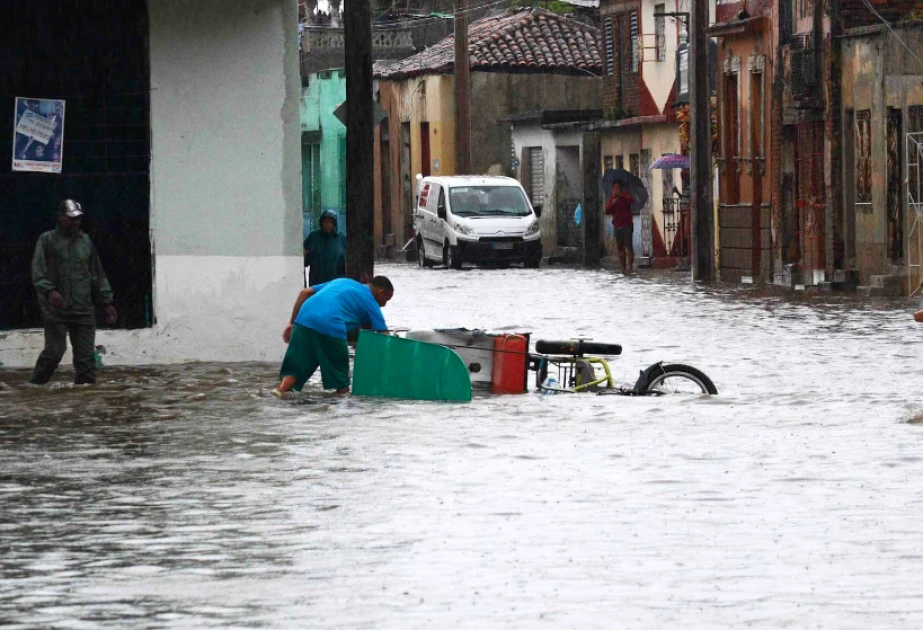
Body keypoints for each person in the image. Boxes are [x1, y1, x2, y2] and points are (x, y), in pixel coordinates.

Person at [30, 200, 118, 385]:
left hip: (83, 309)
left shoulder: (85, 241)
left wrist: (107, 302)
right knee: (54, 352)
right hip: (56, 311)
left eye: (78, 218)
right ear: (60, 217)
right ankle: (35, 387)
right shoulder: (47, 240)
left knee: (86, 361)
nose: (75, 222)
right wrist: (50, 291)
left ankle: (84, 400)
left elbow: (97, 273)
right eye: (71, 218)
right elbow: (38, 272)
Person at [273, 276, 394, 397]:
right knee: (341, 382)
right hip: (331, 325)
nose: (384, 305)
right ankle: (342, 411)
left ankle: (279, 393)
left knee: (294, 370)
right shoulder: (370, 301)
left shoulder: (342, 282)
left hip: (304, 319)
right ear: (381, 293)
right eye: (386, 300)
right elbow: (384, 335)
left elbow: (305, 292)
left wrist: (291, 323)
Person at [303, 209, 346, 286]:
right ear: (321, 223)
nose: (328, 224)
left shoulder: (341, 238)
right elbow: (305, 260)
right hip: (317, 280)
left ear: (334, 224)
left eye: (330, 222)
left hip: (335, 281)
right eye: (326, 222)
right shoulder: (314, 237)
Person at [605, 182, 635, 273]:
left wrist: (621, 195)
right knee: (620, 247)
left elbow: (632, 201)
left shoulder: (626, 195)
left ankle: (630, 266)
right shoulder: (612, 198)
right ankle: (623, 267)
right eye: (614, 188)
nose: (615, 190)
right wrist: (612, 204)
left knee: (629, 246)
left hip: (627, 225)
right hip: (617, 225)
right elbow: (607, 211)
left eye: (616, 188)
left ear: (620, 189)